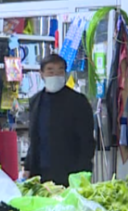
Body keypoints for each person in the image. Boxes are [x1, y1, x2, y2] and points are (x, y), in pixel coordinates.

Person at [25, 54, 95, 186]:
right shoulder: (35, 101)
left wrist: (83, 173)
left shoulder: (78, 101)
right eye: (50, 71)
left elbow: (87, 141)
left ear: (65, 74)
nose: (55, 75)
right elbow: (34, 137)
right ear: (42, 74)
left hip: (70, 172)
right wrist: (28, 167)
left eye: (60, 71)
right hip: (41, 172)